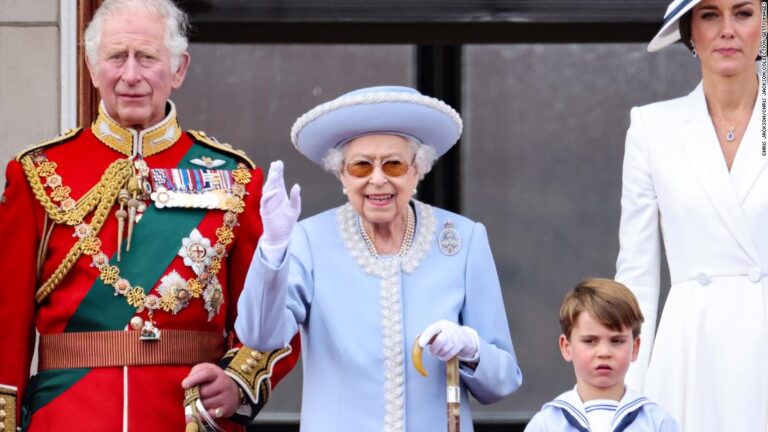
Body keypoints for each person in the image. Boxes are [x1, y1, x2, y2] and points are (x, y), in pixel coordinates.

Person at [0, 1, 298, 431]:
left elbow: (275, 310)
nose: (131, 75)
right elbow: (6, 326)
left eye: (148, 57)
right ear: (91, 66)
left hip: (186, 417)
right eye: (117, 57)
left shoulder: (236, 178)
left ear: (178, 69)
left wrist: (237, 382)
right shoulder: (36, 171)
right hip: (66, 415)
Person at [235, 85, 523, 431]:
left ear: (417, 170)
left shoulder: (463, 239)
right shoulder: (308, 241)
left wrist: (472, 349)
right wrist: (274, 247)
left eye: (394, 164)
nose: (377, 179)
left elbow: (502, 381)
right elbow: (260, 336)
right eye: (360, 166)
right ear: (341, 173)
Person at [615, 0, 766, 429]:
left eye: (743, 13)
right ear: (689, 33)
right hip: (689, 352)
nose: (727, 30)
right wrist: (628, 396)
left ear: (764, 25)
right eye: (709, 15)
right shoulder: (651, 128)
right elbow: (636, 276)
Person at [524, 279, 680, 432]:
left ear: (635, 347)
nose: (604, 353)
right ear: (567, 347)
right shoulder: (546, 425)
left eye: (617, 341)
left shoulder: (658, 423)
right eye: (590, 341)